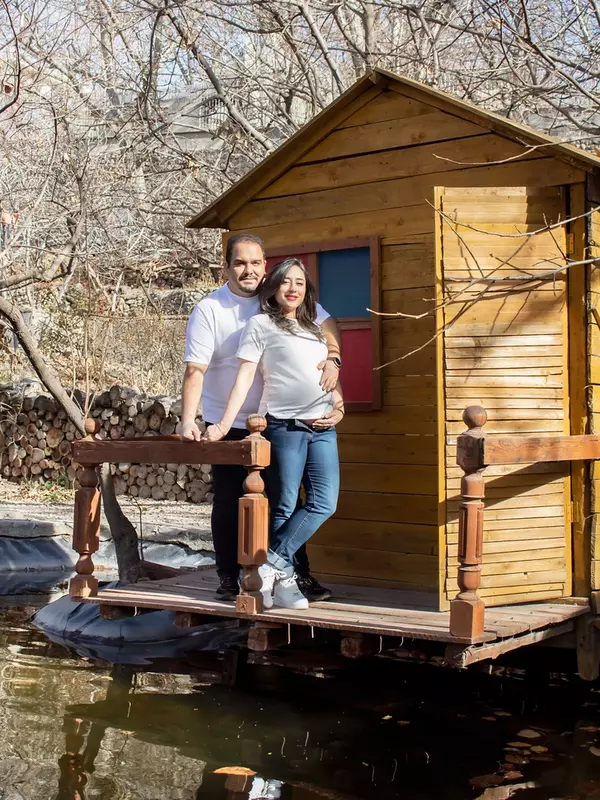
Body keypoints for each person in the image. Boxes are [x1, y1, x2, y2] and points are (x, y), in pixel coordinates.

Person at [181, 234, 342, 602]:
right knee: (229, 502)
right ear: (226, 267)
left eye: (255, 263)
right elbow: (195, 370)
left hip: (275, 419)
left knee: (286, 501)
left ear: (265, 266)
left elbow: (328, 327)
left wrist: (334, 359)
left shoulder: (279, 295)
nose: (248, 270)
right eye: (240, 263)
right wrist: (190, 419)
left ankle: (292, 574)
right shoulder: (211, 309)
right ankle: (228, 575)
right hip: (231, 421)